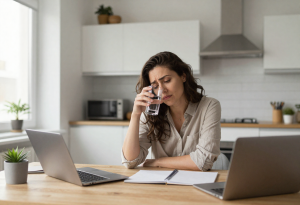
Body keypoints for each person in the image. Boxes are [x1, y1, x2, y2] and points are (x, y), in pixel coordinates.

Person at [122, 51, 221, 171]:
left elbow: (204, 161)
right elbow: (130, 161)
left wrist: (158, 162)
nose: (162, 90)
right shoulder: (151, 112)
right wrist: (135, 115)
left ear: (183, 76)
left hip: (196, 186)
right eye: (155, 86)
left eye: (167, 80)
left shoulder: (209, 106)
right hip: (162, 186)